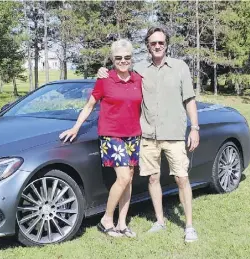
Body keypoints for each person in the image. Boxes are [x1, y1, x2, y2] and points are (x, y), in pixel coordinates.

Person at [97, 26, 200, 242]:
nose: (157, 46)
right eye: (153, 43)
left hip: (173, 134)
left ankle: (189, 226)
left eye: (161, 42)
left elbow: (189, 99)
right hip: (147, 136)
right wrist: (102, 71)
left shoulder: (180, 67)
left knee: (182, 178)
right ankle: (160, 221)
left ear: (166, 44)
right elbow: (117, 77)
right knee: (153, 179)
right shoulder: (139, 70)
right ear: (148, 45)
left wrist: (195, 128)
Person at [60, 39, 142, 237]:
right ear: (113, 59)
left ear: (132, 59)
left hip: (133, 134)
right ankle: (106, 219)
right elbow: (89, 105)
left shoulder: (138, 79)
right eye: (119, 58)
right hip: (111, 134)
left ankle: (122, 223)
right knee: (122, 177)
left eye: (127, 57)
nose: (123, 61)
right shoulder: (104, 79)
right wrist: (76, 127)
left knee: (128, 179)